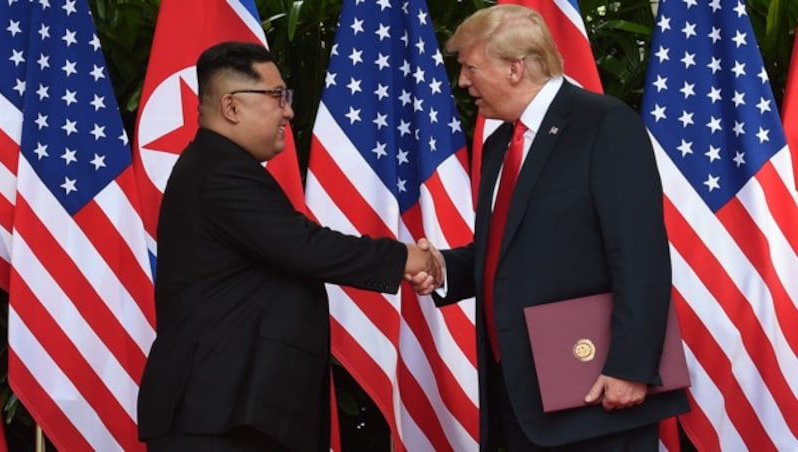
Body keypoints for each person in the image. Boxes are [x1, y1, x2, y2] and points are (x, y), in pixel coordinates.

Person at [409, 5, 689, 451]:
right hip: (518, 397)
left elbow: (640, 253)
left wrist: (631, 367)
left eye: (470, 67)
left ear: (515, 68)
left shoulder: (603, 123)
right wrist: (445, 268)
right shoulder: (502, 140)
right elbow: (511, 247)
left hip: (595, 393)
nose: (463, 82)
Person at [137, 41, 440, 452]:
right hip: (213, 416)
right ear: (231, 107)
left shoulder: (218, 166)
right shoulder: (220, 171)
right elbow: (304, 247)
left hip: (229, 413)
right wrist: (405, 257)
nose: (288, 111)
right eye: (277, 96)